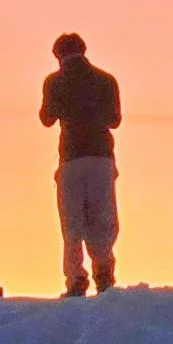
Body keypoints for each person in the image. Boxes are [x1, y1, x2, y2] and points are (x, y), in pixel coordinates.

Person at [39, 32, 123, 296]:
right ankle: (104, 272)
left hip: (71, 156)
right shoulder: (106, 80)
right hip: (101, 155)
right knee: (103, 216)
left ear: (58, 55)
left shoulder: (54, 81)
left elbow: (46, 118)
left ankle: (76, 278)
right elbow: (115, 120)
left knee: (72, 220)